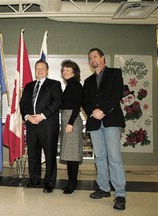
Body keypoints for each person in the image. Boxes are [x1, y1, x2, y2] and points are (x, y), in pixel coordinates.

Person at [82, 48, 127, 210]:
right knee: (100, 156)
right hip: (95, 123)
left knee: (114, 157)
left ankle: (120, 194)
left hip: (111, 120)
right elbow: (84, 101)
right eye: (90, 58)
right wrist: (92, 112)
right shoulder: (88, 81)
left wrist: (103, 110)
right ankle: (103, 188)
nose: (92, 59)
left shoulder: (115, 73)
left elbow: (116, 94)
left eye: (95, 56)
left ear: (102, 58)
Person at [20, 59, 62, 193]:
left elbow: (56, 102)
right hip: (31, 125)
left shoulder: (54, 84)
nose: (39, 70)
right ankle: (34, 180)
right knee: (33, 154)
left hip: (48, 125)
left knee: (49, 155)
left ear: (47, 70)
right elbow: (23, 103)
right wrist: (27, 117)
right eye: (37, 68)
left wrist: (42, 116)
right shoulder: (28, 86)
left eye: (42, 68)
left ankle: (49, 183)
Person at [59, 59, 83, 194]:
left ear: (74, 72)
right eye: (63, 70)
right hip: (67, 119)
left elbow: (76, 106)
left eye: (68, 70)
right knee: (69, 154)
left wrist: (70, 123)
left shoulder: (76, 85)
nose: (65, 72)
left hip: (71, 121)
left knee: (72, 155)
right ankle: (70, 182)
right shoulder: (69, 85)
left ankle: (72, 184)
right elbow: (64, 104)